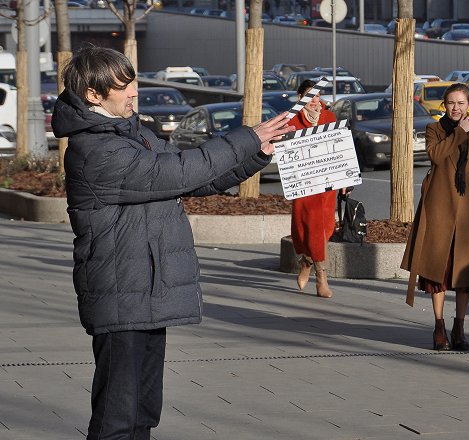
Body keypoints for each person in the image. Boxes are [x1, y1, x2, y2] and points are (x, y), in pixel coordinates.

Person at [51, 46, 293, 440]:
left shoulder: (130, 133)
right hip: (121, 292)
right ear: (94, 95)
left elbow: (193, 179)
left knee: (143, 410)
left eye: (133, 84)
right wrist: (247, 136)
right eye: (123, 87)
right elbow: (178, 171)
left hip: (146, 289)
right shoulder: (95, 150)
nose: (134, 93)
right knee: (117, 414)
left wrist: (256, 154)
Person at [401, 83, 469, 352]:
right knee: (439, 273)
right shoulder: (435, 129)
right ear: (444, 105)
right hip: (440, 211)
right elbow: (436, 156)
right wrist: (458, 133)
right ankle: (439, 326)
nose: (456, 108)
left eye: (461, 103)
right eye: (451, 103)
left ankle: (459, 326)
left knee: (464, 277)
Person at [288, 79, 347, 298]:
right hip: (304, 186)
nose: (315, 101)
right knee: (311, 228)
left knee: (326, 228)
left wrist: (344, 181)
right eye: (309, 96)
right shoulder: (292, 119)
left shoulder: (329, 117)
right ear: (299, 97)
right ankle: (322, 278)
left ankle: (306, 262)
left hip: (327, 185)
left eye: (317, 96)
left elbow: (340, 151)